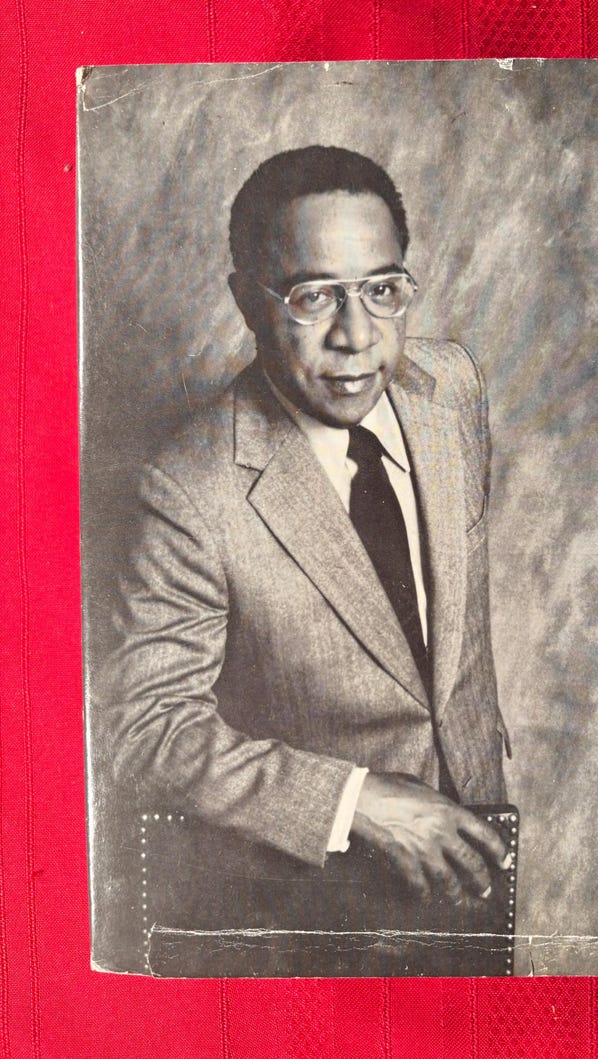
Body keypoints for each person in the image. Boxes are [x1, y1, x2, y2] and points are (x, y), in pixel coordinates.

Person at [102, 145, 512, 972]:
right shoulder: (186, 488)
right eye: (313, 295)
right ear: (248, 304)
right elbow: (145, 731)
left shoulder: (452, 386)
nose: (357, 338)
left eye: (382, 290)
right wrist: (358, 803)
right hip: (318, 903)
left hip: (482, 850)